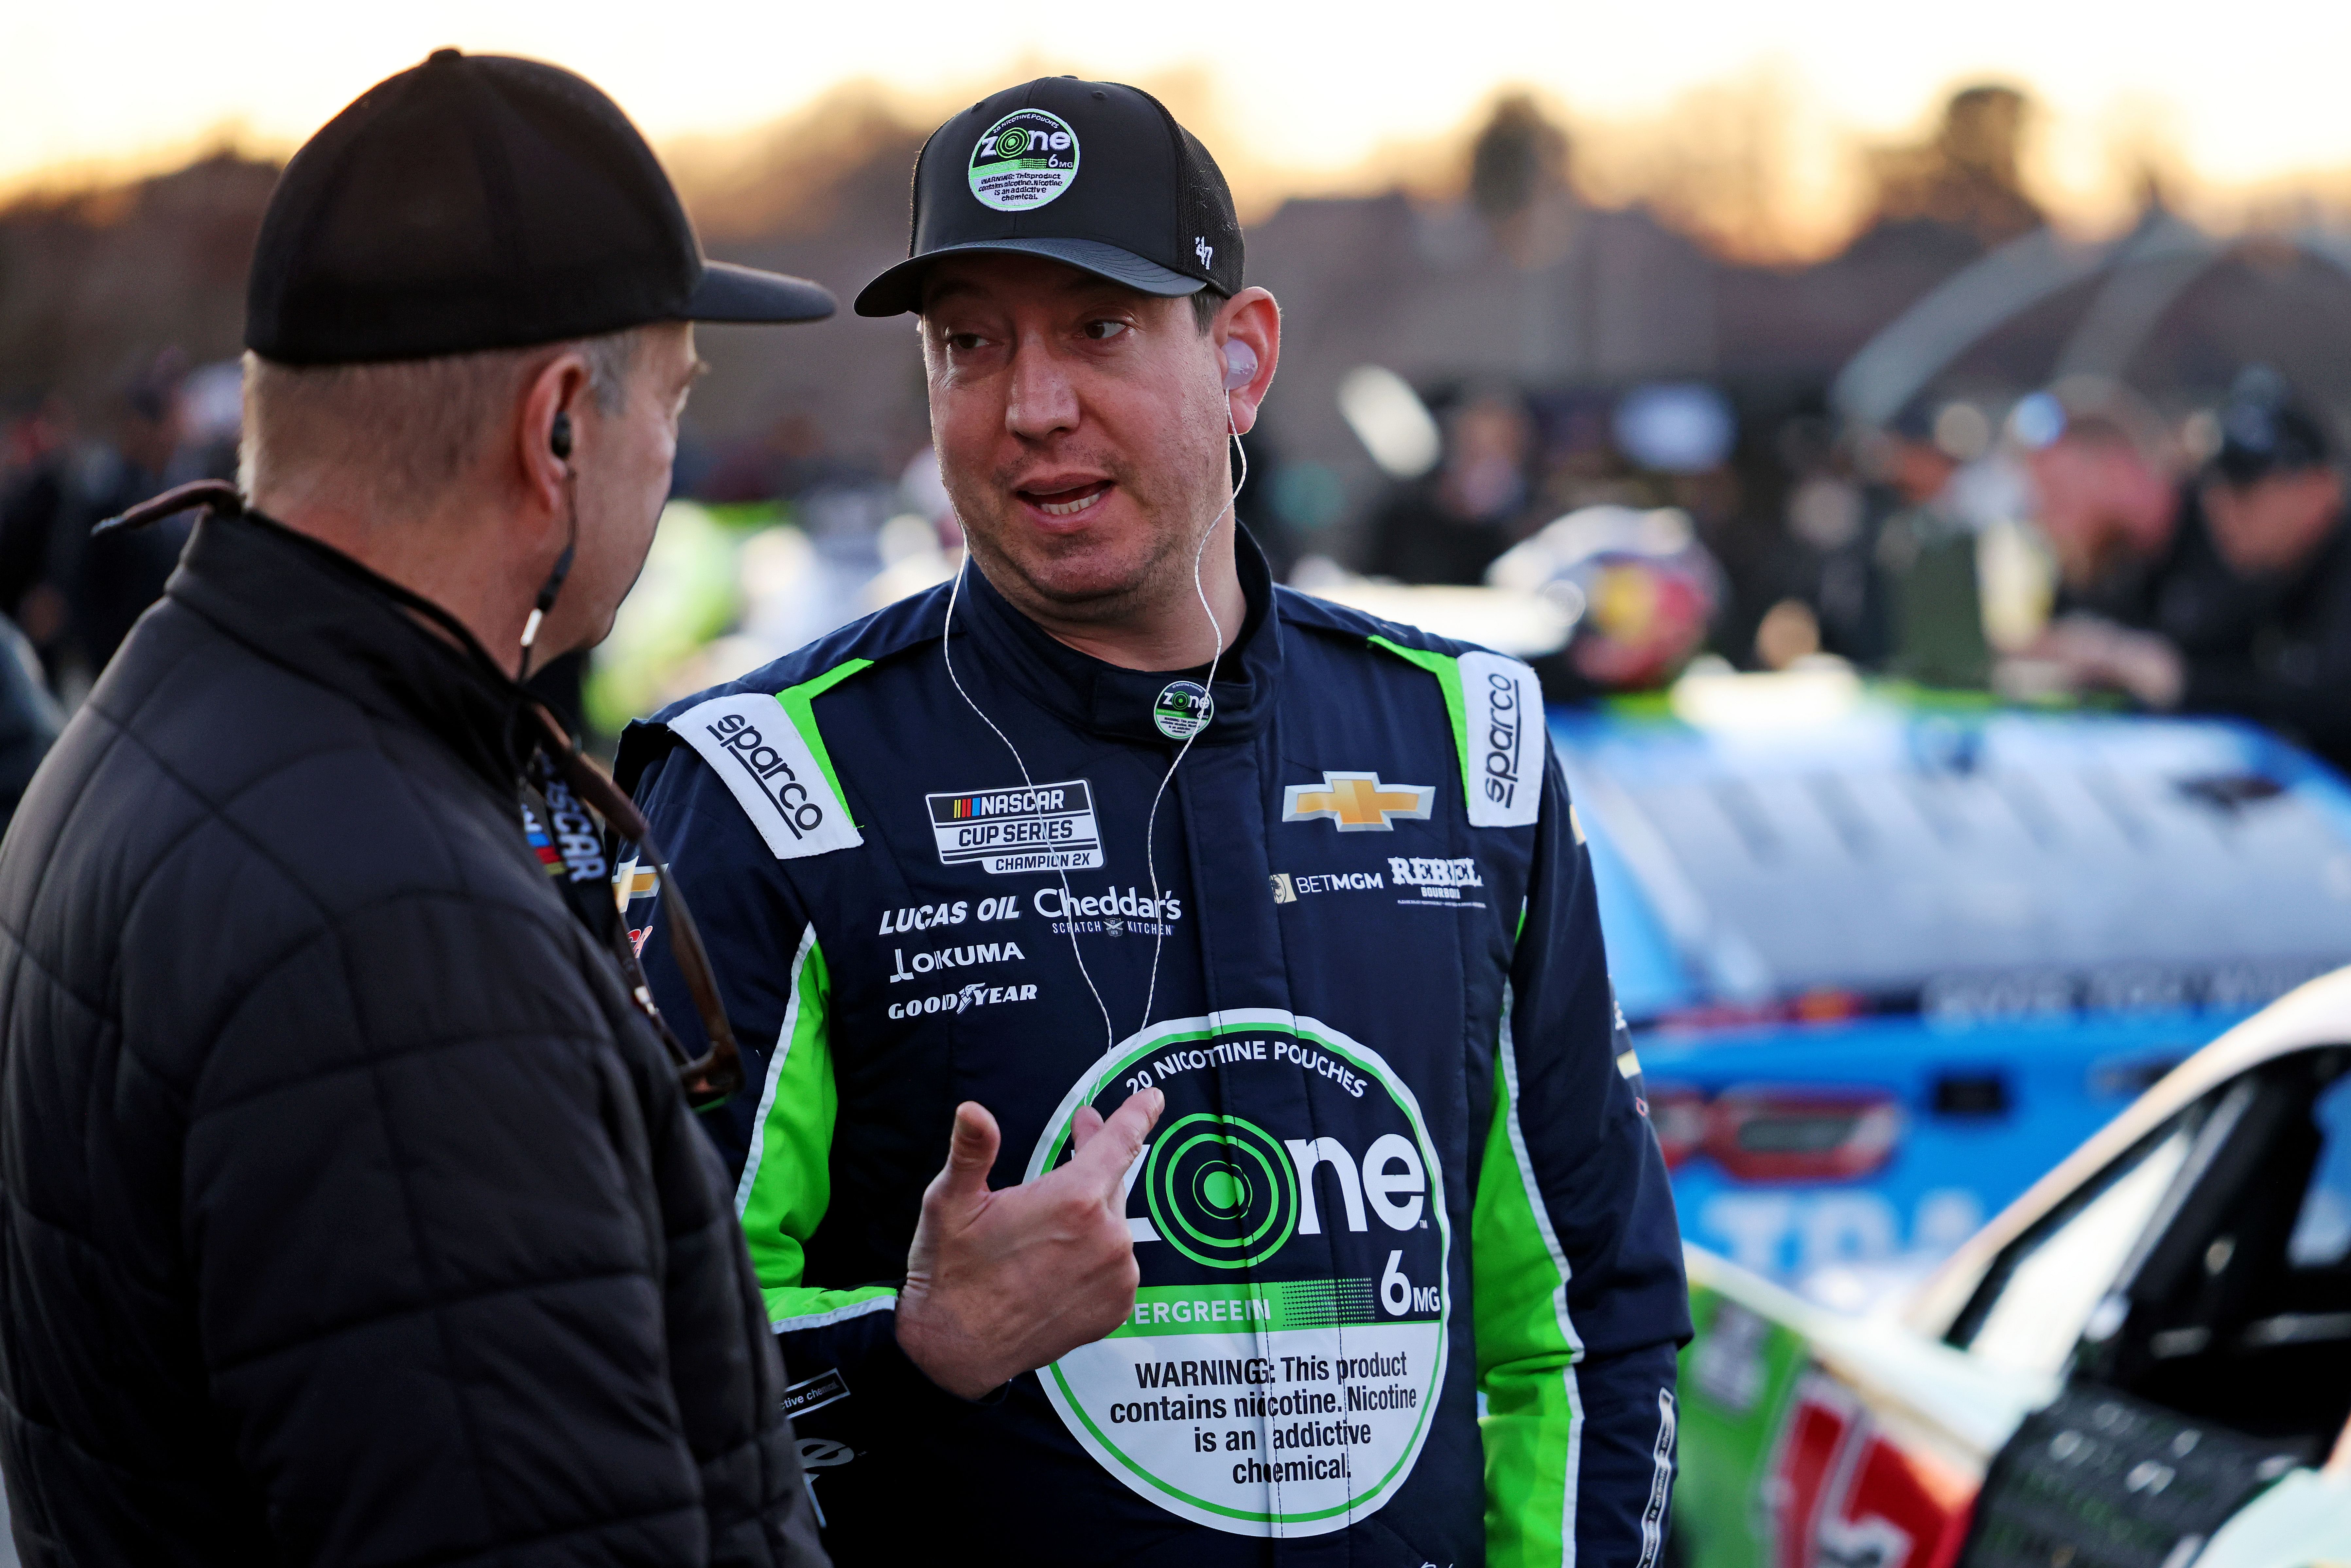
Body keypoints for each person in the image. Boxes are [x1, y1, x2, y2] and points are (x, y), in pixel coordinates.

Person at [618, 77, 1688, 1566]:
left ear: (1240, 357)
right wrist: (910, 1343)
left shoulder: (1467, 742)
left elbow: (1579, 1310)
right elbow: (624, 1352)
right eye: (969, 343)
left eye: (1097, 327)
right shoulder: (771, 782)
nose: (1030, 403)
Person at [0, 51, 837, 1566]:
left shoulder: (172, 717)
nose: (674, 462)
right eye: (673, 404)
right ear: (560, 428)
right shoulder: (397, 939)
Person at [2030, 381, 2351, 768]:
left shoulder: (2286, 566)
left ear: (2322, 489)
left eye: (2245, 490)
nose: (2222, 508)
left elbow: (2317, 699)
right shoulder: (2271, 570)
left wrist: (2170, 677)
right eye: (2215, 486)